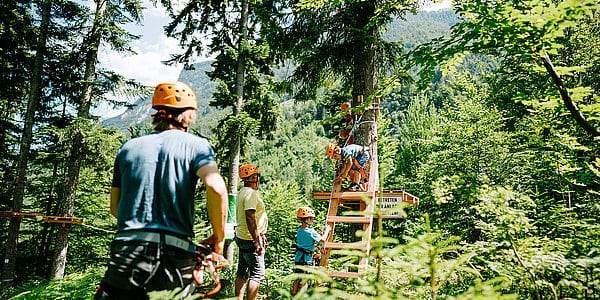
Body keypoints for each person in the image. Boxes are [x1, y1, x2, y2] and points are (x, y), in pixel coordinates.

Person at [95, 81, 229, 299]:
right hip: (172, 256)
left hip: (127, 251)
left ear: (157, 113)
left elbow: (115, 208)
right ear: (187, 115)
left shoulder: (127, 149)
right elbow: (216, 187)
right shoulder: (197, 146)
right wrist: (219, 237)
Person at [234, 163, 268, 300]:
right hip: (250, 238)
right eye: (257, 176)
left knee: (242, 271)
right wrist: (257, 241)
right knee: (257, 274)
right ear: (253, 177)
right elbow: (250, 217)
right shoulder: (251, 193)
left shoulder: (242, 192)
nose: (258, 179)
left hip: (242, 236)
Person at [292, 207, 330, 296]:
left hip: (298, 257)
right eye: (311, 219)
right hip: (306, 259)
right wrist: (327, 230)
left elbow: (308, 241)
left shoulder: (300, 230)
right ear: (307, 219)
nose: (312, 220)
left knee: (297, 277)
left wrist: (318, 235)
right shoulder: (310, 231)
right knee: (305, 280)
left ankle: (293, 294)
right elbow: (323, 240)